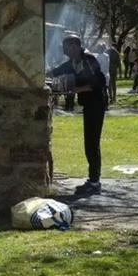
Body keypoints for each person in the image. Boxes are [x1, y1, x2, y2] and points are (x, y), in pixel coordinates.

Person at [47, 35, 107, 196]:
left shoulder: (88, 59)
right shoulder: (74, 62)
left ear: (75, 47)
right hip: (88, 105)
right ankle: (93, 179)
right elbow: (59, 70)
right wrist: (47, 74)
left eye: (67, 47)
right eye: (64, 47)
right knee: (89, 143)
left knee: (92, 143)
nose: (65, 50)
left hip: (96, 104)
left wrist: (77, 90)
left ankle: (95, 182)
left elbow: (99, 81)